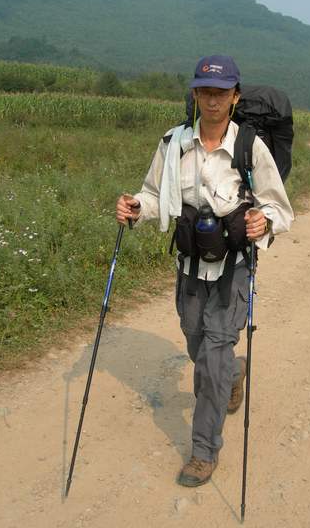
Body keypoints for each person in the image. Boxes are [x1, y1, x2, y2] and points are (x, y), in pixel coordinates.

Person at [116, 55, 293, 487]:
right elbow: (154, 194)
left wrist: (264, 221)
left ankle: (203, 450)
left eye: (221, 92)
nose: (212, 100)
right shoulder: (173, 143)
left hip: (234, 269)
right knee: (198, 347)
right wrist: (137, 207)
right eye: (205, 92)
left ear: (235, 97)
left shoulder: (250, 146)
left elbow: (278, 206)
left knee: (211, 360)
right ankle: (234, 372)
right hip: (190, 268)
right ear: (195, 95)